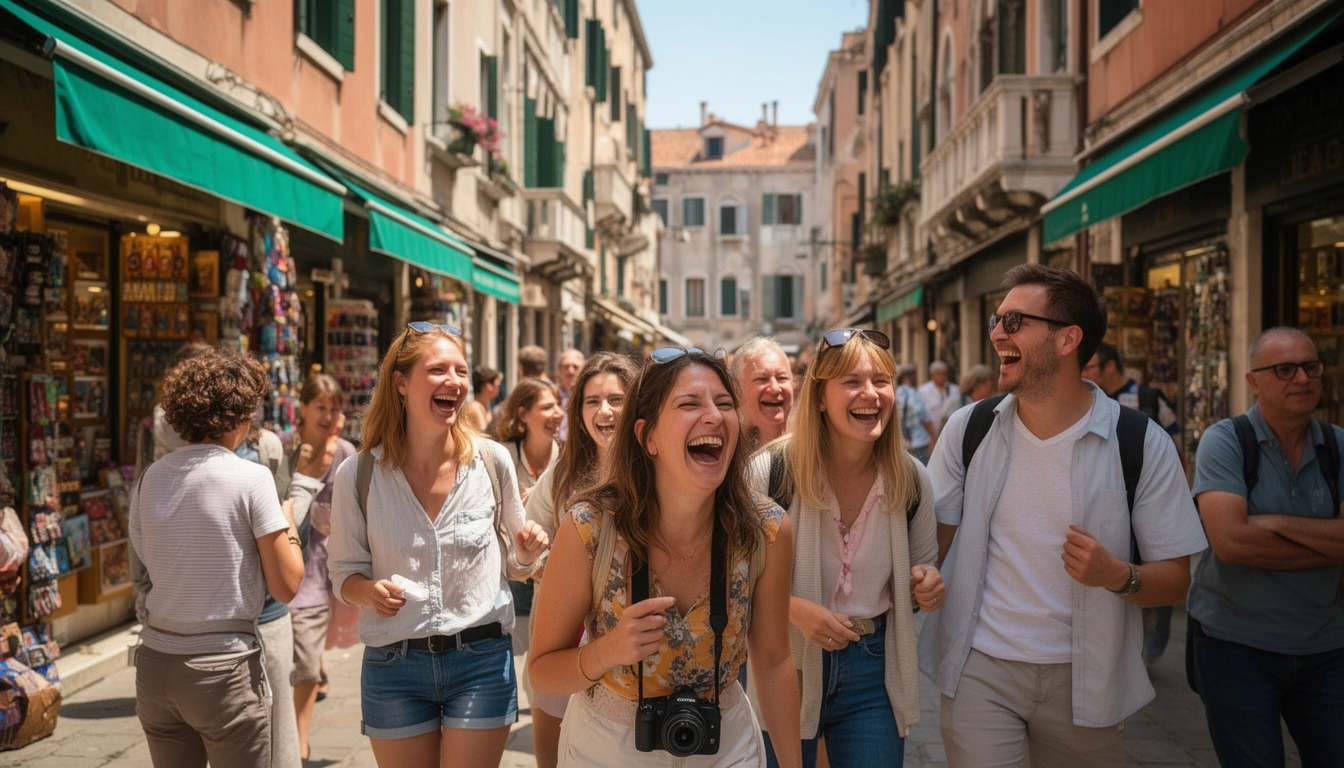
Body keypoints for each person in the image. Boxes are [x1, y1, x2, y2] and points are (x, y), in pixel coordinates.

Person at [920, 264, 1208, 768]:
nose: (995, 333)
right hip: (980, 668)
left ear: (1068, 339)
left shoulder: (1140, 442)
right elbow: (931, 545)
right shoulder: (969, 429)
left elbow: (1178, 581)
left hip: (1088, 680)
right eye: (996, 319)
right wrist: (919, 575)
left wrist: (1117, 575)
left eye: (1014, 322)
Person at [528, 348, 803, 767]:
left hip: (726, 745)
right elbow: (541, 670)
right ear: (647, 436)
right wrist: (608, 651)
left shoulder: (767, 529)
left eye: (725, 404)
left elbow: (773, 659)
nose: (713, 416)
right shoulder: (590, 527)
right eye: (690, 404)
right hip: (607, 748)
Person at [327, 322, 549, 768]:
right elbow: (342, 575)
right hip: (394, 666)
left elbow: (516, 564)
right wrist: (368, 592)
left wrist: (527, 552)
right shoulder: (359, 474)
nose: (455, 381)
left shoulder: (491, 461)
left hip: (482, 661)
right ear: (402, 383)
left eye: (461, 371)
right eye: (438, 370)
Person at [754, 328, 944, 768]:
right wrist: (796, 610)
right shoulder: (768, 472)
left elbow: (923, 569)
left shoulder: (912, 478)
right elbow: (728, 578)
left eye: (881, 381)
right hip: (785, 660)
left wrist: (927, 584)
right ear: (820, 397)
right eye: (852, 382)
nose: (870, 394)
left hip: (872, 672)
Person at [129, 348, 306, 768]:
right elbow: (287, 584)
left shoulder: (150, 478)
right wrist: (289, 522)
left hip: (155, 665)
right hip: (223, 667)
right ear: (242, 417)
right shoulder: (252, 477)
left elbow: (144, 570)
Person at [1188, 327, 1344, 768]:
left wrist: (1273, 523)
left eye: (1311, 367)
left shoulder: (1338, 446)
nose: (1302, 378)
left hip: (1326, 647)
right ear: (1254, 381)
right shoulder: (1225, 441)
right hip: (1235, 646)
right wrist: (1329, 542)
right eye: (1285, 369)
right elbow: (1231, 542)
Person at [523, 351, 640, 768]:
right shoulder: (561, 475)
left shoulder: (659, 471)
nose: (604, 411)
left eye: (616, 399)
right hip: (561, 643)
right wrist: (530, 557)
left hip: (630, 655)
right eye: (592, 401)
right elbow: (520, 554)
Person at [1082, 341, 1184, 661]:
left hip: (1146, 500)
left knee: (1156, 563)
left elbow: (1176, 440)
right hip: (1105, 504)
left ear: (1110, 366)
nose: (1083, 374)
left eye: (1089, 367)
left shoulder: (1148, 399)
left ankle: (1151, 645)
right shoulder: (1086, 402)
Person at [283, 374, 356, 764]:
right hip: (290, 565)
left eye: (335, 408)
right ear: (304, 409)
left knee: (307, 662)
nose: (329, 415)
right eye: (321, 407)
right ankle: (295, 741)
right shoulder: (286, 448)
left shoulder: (345, 452)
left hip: (327, 565)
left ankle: (299, 739)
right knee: (301, 661)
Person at [495, 377, 564, 506]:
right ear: (522, 414)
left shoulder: (568, 457)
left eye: (559, 404)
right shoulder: (502, 457)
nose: (559, 413)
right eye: (547, 407)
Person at [731, 337, 795, 453]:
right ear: (735, 389)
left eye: (782, 378)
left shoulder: (813, 454)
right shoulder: (722, 458)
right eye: (762, 379)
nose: (775, 389)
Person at [895, 366, 936, 465]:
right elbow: (925, 416)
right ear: (909, 377)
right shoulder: (913, 394)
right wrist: (933, 437)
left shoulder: (894, 393)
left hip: (899, 443)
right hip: (918, 444)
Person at [917, 361, 960, 436]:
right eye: (941, 374)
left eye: (946, 373)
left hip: (951, 432)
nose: (944, 377)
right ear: (933, 375)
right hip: (931, 434)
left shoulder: (955, 390)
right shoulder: (923, 391)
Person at [556, 349, 585, 442]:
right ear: (558, 370)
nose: (570, 371)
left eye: (575, 367)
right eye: (566, 366)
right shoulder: (549, 395)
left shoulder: (588, 397)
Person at [463, 367, 501, 435]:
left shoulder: (485, 406)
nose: (499, 389)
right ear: (488, 386)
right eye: (497, 386)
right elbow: (485, 436)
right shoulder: (475, 408)